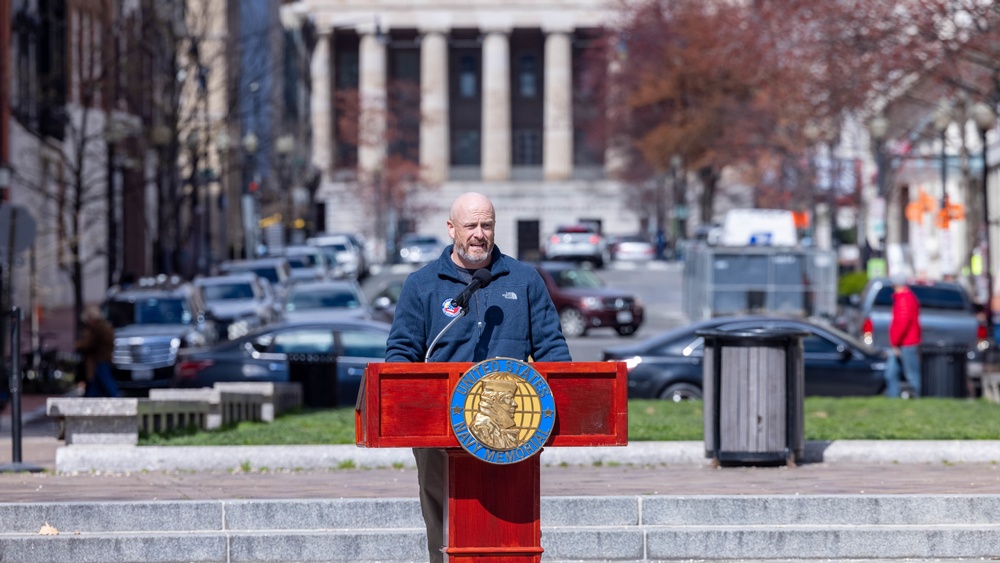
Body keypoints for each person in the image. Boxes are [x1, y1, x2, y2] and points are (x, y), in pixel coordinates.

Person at [385, 191, 571, 563]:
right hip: (440, 428)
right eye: (470, 225)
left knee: (510, 518)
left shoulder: (524, 279)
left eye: (487, 225)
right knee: (445, 515)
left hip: (513, 424)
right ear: (451, 228)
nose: (479, 234)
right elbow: (400, 356)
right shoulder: (422, 284)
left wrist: (566, 397)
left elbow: (553, 349)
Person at [884, 274, 922, 398]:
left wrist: (895, 343)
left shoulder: (904, 299)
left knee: (911, 374)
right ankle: (892, 398)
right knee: (890, 373)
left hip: (905, 343)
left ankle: (917, 398)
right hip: (901, 343)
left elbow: (902, 323)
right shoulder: (904, 298)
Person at [75, 305, 121, 398]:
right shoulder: (104, 326)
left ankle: (116, 399)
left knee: (105, 381)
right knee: (96, 383)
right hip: (103, 358)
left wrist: (78, 345)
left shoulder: (98, 328)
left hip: (101, 359)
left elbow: (89, 344)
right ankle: (90, 400)